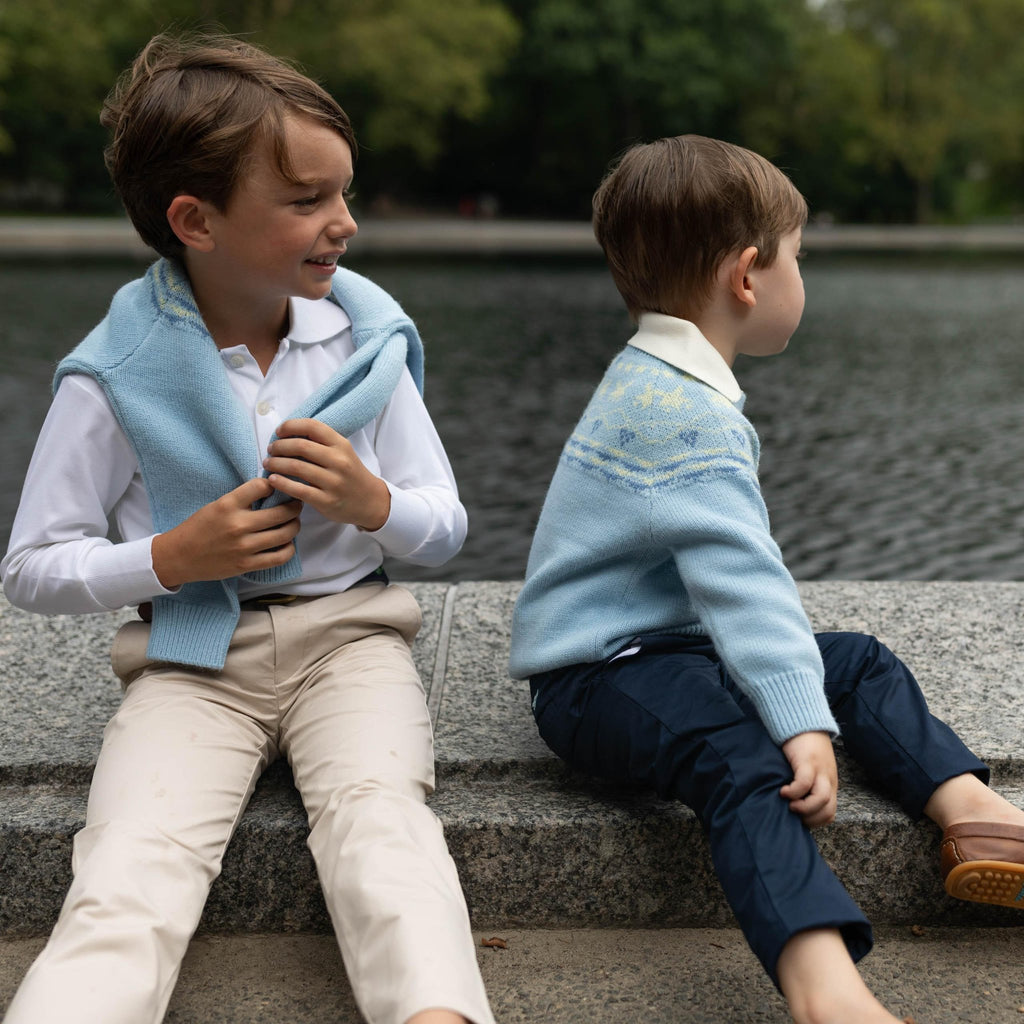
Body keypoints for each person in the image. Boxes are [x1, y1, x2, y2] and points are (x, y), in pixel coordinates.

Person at [1, 32, 493, 1024]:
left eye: (344, 192)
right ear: (196, 221)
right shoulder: (114, 373)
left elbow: (442, 525)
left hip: (349, 645)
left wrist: (371, 503)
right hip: (192, 660)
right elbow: (32, 566)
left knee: (385, 831)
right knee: (133, 860)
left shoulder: (367, 349)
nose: (344, 222)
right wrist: (169, 558)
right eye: (307, 199)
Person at [508, 135, 1024, 1024]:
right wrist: (799, 722)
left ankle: (974, 812)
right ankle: (827, 990)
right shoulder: (682, 417)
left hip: (666, 647)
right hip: (597, 677)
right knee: (741, 758)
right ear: (747, 276)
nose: (802, 278)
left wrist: (801, 689)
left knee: (856, 660)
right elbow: (744, 582)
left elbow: (729, 584)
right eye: (800, 257)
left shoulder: (659, 378)